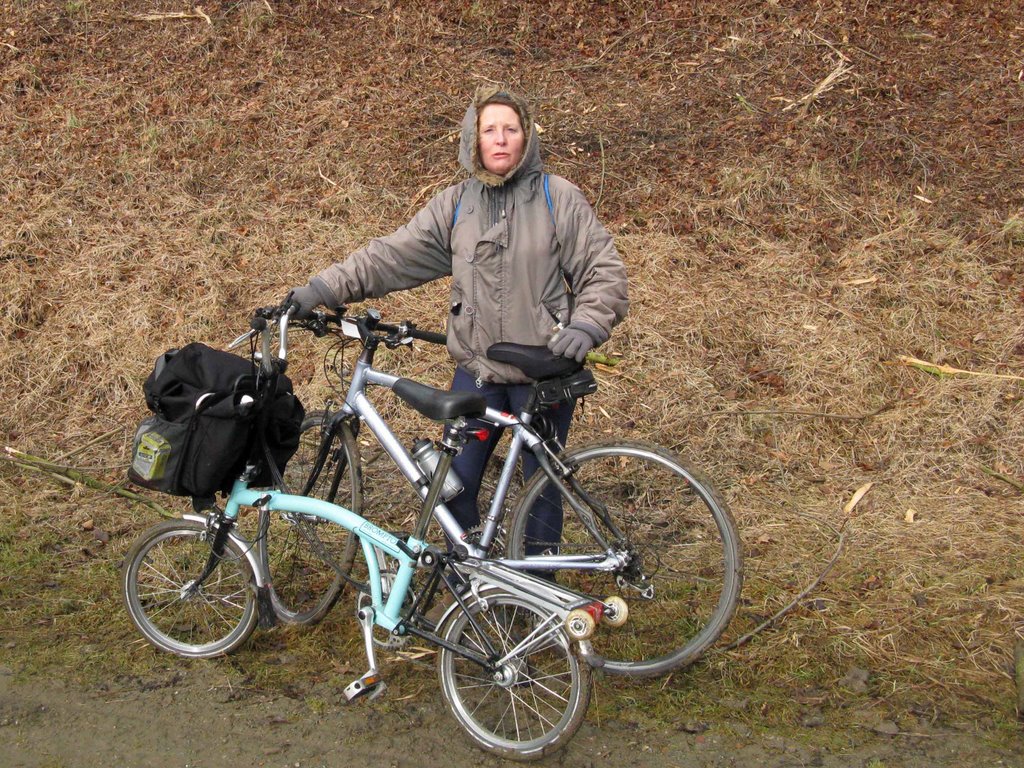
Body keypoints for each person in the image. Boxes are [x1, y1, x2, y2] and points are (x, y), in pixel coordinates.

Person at [288, 85, 628, 552]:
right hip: (478, 373)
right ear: (475, 140)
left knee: (540, 492)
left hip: (542, 370)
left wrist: (587, 324)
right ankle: (474, 586)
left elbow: (602, 271)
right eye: (490, 129)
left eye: (511, 129)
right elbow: (390, 256)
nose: (501, 138)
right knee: (454, 487)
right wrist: (320, 290)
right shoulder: (456, 206)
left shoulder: (558, 199)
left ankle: (540, 597)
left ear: (526, 138)